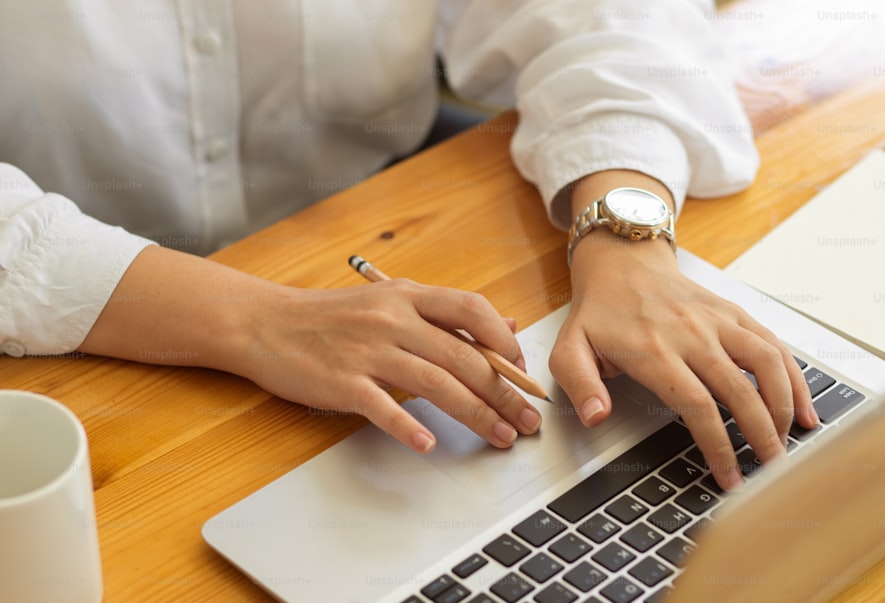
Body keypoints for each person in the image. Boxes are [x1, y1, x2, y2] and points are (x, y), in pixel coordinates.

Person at [0, 0, 816, 491]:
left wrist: (624, 241)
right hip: (66, 346)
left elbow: (601, 13)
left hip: (374, 223)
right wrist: (258, 322)